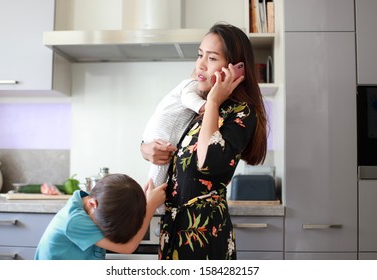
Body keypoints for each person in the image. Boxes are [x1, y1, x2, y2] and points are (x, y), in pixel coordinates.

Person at [141, 22, 268, 260]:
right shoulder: (198, 106)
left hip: (204, 235)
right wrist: (146, 149)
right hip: (175, 230)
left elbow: (207, 160)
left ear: (236, 69)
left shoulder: (240, 112)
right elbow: (170, 135)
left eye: (211, 58)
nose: (200, 64)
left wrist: (212, 102)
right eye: (200, 55)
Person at [34, 173, 166, 260]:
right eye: (103, 226)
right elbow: (128, 247)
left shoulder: (91, 203)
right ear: (92, 203)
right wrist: (150, 206)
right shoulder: (74, 221)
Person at [142, 77, 206, 213]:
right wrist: (207, 106)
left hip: (159, 132)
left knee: (157, 174)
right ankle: (154, 207)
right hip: (163, 134)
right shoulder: (193, 84)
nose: (202, 65)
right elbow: (188, 98)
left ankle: (153, 205)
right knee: (157, 175)